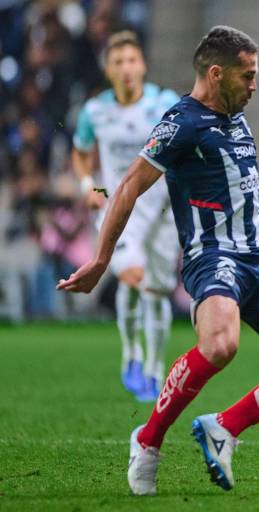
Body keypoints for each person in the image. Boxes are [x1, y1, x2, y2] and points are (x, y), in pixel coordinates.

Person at [58, 25, 259, 496]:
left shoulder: (237, 116)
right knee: (220, 345)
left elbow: (230, 187)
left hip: (257, 258)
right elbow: (127, 187)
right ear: (216, 74)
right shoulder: (182, 123)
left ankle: (225, 427)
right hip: (211, 257)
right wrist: (101, 260)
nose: (255, 85)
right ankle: (148, 439)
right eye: (247, 75)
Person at [71, 31, 180, 401]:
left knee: (156, 290)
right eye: (118, 62)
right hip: (117, 205)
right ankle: (131, 352)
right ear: (108, 70)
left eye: (132, 60)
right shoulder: (94, 111)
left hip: (162, 208)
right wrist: (88, 185)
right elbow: (80, 152)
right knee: (132, 275)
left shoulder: (165, 103)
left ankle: (154, 367)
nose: (126, 68)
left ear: (143, 65)